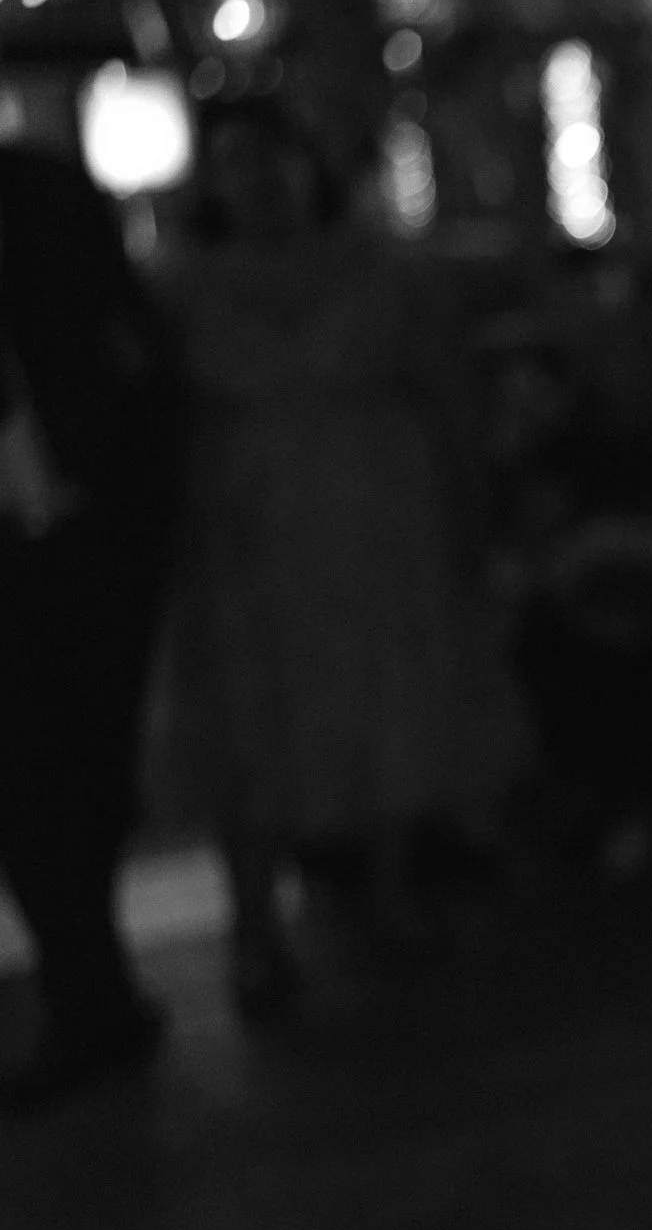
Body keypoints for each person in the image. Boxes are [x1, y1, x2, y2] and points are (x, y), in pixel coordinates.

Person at [158, 99, 522, 1014]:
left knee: (384, 700)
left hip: (376, 519)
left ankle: (389, 888)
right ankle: (255, 923)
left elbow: (448, 393)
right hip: (246, 532)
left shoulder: (387, 273)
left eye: (276, 156)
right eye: (236, 161)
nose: (260, 180)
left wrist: (468, 506)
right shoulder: (178, 290)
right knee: (254, 720)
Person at [0, 146, 183, 1109]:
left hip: (87, 542)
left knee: (88, 775)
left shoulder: (50, 209)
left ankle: (96, 991)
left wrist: (125, 510)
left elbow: (135, 374)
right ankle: (86, 996)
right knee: (30, 786)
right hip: (31, 552)